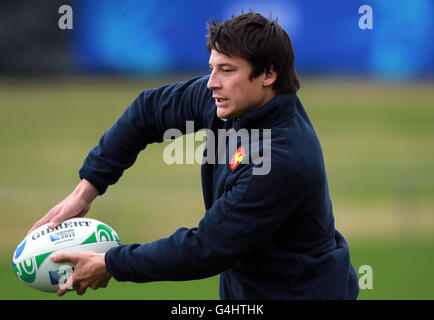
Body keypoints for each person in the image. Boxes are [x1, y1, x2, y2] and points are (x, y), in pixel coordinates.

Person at [29, 11, 359, 299]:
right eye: (212, 67)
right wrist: (86, 189)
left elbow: (206, 248)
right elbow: (148, 111)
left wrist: (110, 263)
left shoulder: (279, 161)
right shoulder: (229, 104)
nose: (212, 83)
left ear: (268, 75)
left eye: (227, 70)